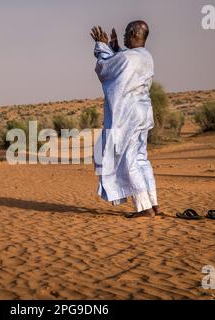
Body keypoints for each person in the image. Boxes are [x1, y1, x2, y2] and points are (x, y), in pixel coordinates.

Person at [90, 21, 162, 218]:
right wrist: (115, 49)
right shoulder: (146, 57)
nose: (121, 37)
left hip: (129, 116)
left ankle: (144, 208)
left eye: (124, 34)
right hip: (144, 114)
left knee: (129, 160)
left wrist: (102, 46)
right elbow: (122, 63)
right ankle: (154, 205)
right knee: (141, 159)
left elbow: (106, 69)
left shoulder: (128, 58)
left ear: (132, 34)